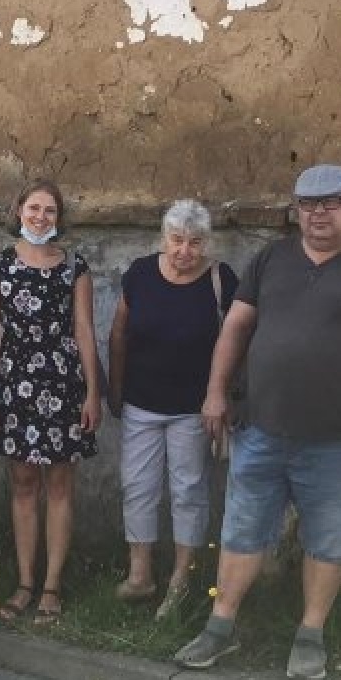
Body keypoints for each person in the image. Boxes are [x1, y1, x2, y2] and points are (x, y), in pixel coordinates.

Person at [174, 164, 341, 680]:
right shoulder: (272, 259)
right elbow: (236, 328)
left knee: (330, 538)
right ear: (297, 211)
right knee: (243, 528)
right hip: (261, 428)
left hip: (339, 437)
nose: (319, 214)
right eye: (309, 205)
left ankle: (310, 636)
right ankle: (219, 628)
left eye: (331, 203)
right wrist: (215, 393)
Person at [0, 180, 101, 627]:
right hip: (15, 385)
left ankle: (52, 585)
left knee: (61, 485)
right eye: (34, 208)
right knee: (24, 483)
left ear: (58, 217)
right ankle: (25, 582)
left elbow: (85, 330)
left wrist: (92, 391)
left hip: (64, 384)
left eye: (49, 211)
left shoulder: (75, 268)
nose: (41, 217)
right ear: (20, 211)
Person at [107, 199, 238, 622]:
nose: (184, 251)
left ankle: (181, 582)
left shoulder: (221, 280)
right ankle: (140, 576)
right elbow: (119, 332)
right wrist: (115, 386)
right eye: (177, 240)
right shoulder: (141, 274)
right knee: (138, 487)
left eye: (194, 243)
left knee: (188, 491)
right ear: (163, 239)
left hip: (193, 410)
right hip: (141, 402)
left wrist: (222, 397)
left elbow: (234, 341)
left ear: (207, 244)